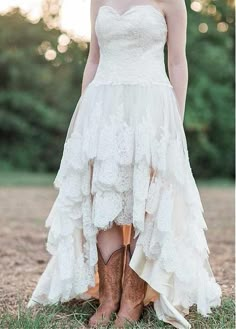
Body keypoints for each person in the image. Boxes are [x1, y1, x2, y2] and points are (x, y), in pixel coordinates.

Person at [27, 0, 222, 328]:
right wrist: (84, 115)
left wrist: (174, 123)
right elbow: (93, 59)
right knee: (104, 202)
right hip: (103, 108)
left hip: (150, 110)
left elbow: (177, 63)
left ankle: (131, 302)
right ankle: (108, 299)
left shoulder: (171, 2)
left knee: (147, 203)